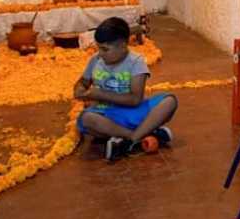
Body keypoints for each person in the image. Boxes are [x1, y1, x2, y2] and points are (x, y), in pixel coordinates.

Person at [75, 17, 178, 161]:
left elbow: (135, 100)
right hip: (107, 115)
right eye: (98, 48)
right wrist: (80, 90)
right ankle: (142, 135)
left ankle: (128, 140)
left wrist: (100, 94)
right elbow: (82, 83)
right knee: (86, 119)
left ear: (123, 46)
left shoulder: (136, 62)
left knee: (169, 101)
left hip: (134, 112)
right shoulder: (96, 59)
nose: (101, 53)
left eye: (105, 49)